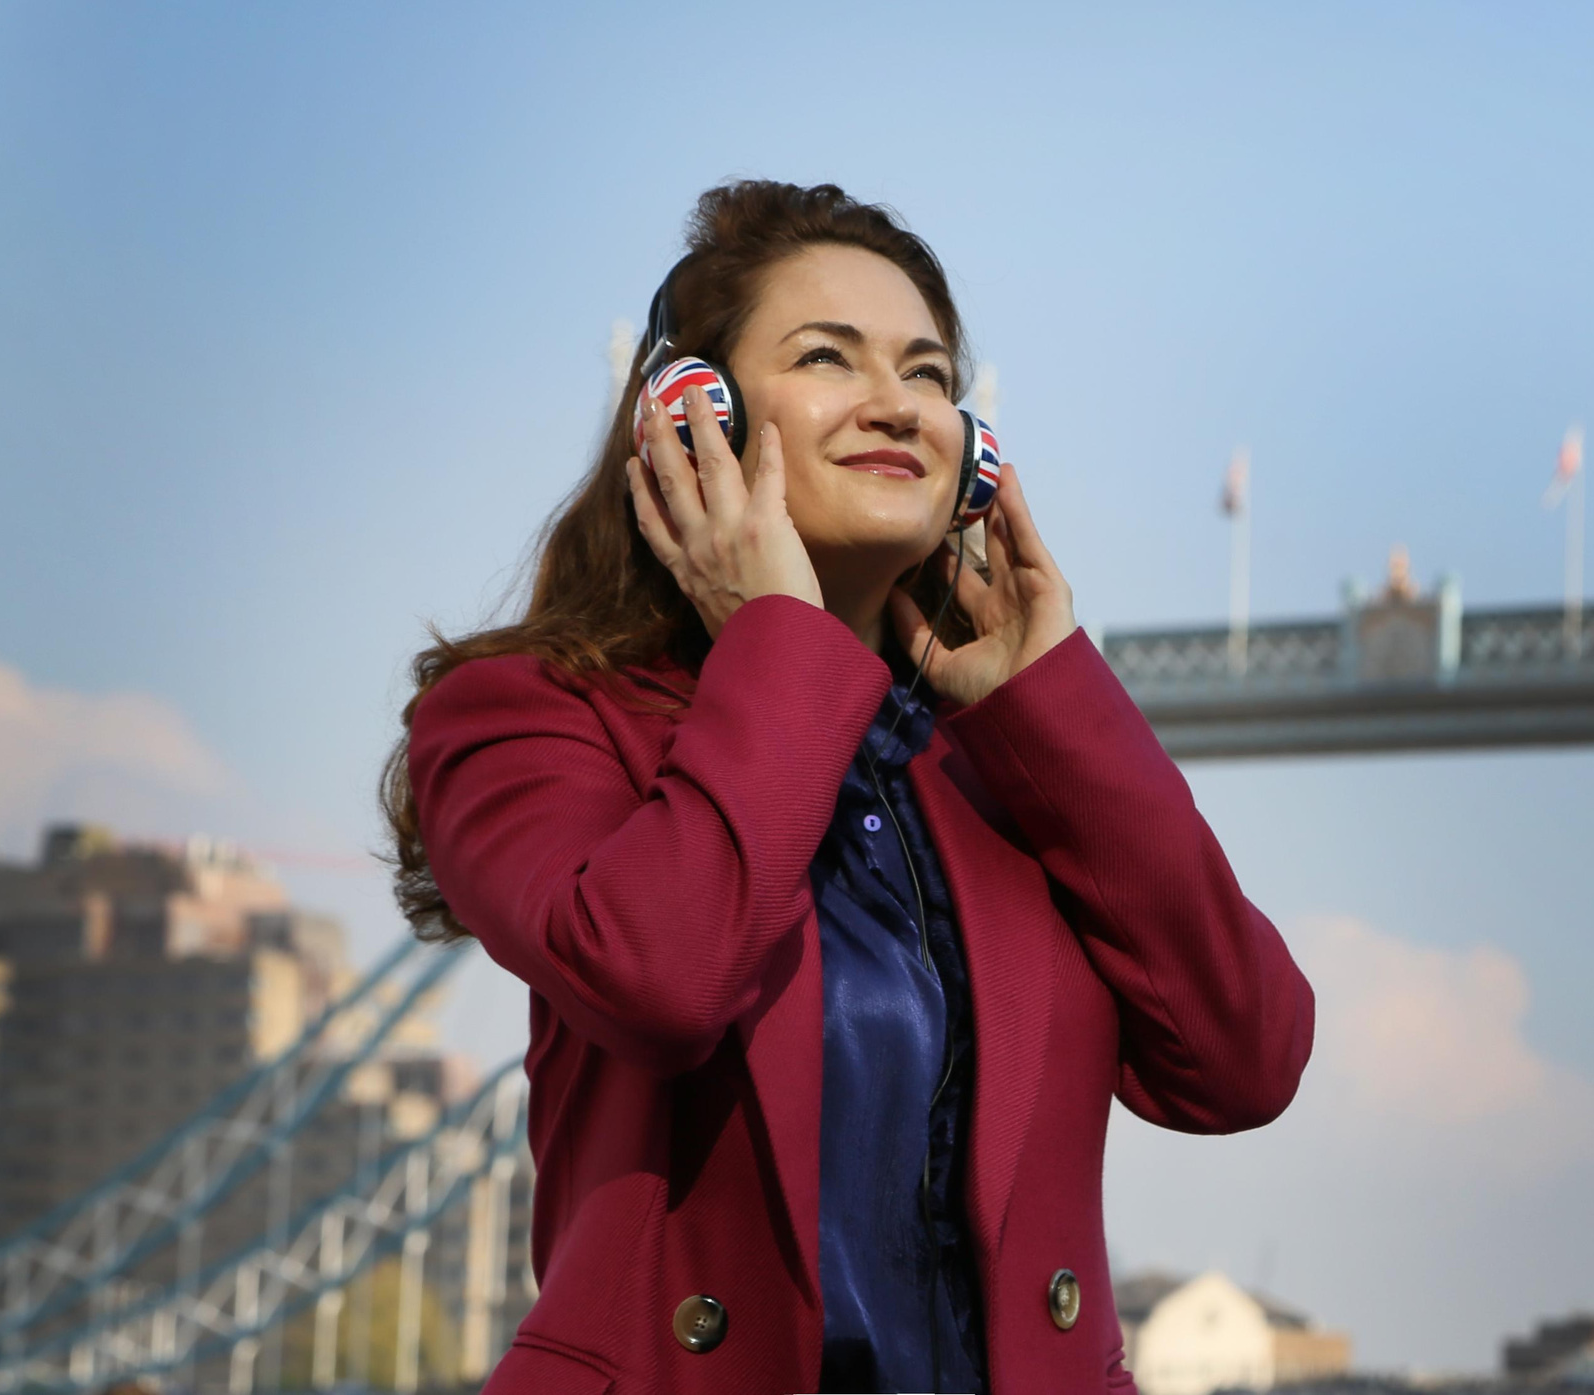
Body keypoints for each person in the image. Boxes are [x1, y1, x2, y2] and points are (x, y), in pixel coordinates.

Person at [382, 181, 1315, 1393]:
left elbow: (1243, 1059)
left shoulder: (1006, 765)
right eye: (829, 358)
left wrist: (1056, 707)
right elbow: (662, 981)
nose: (898, 405)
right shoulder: (528, 717)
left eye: (929, 376)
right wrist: (780, 637)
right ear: (692, 419)